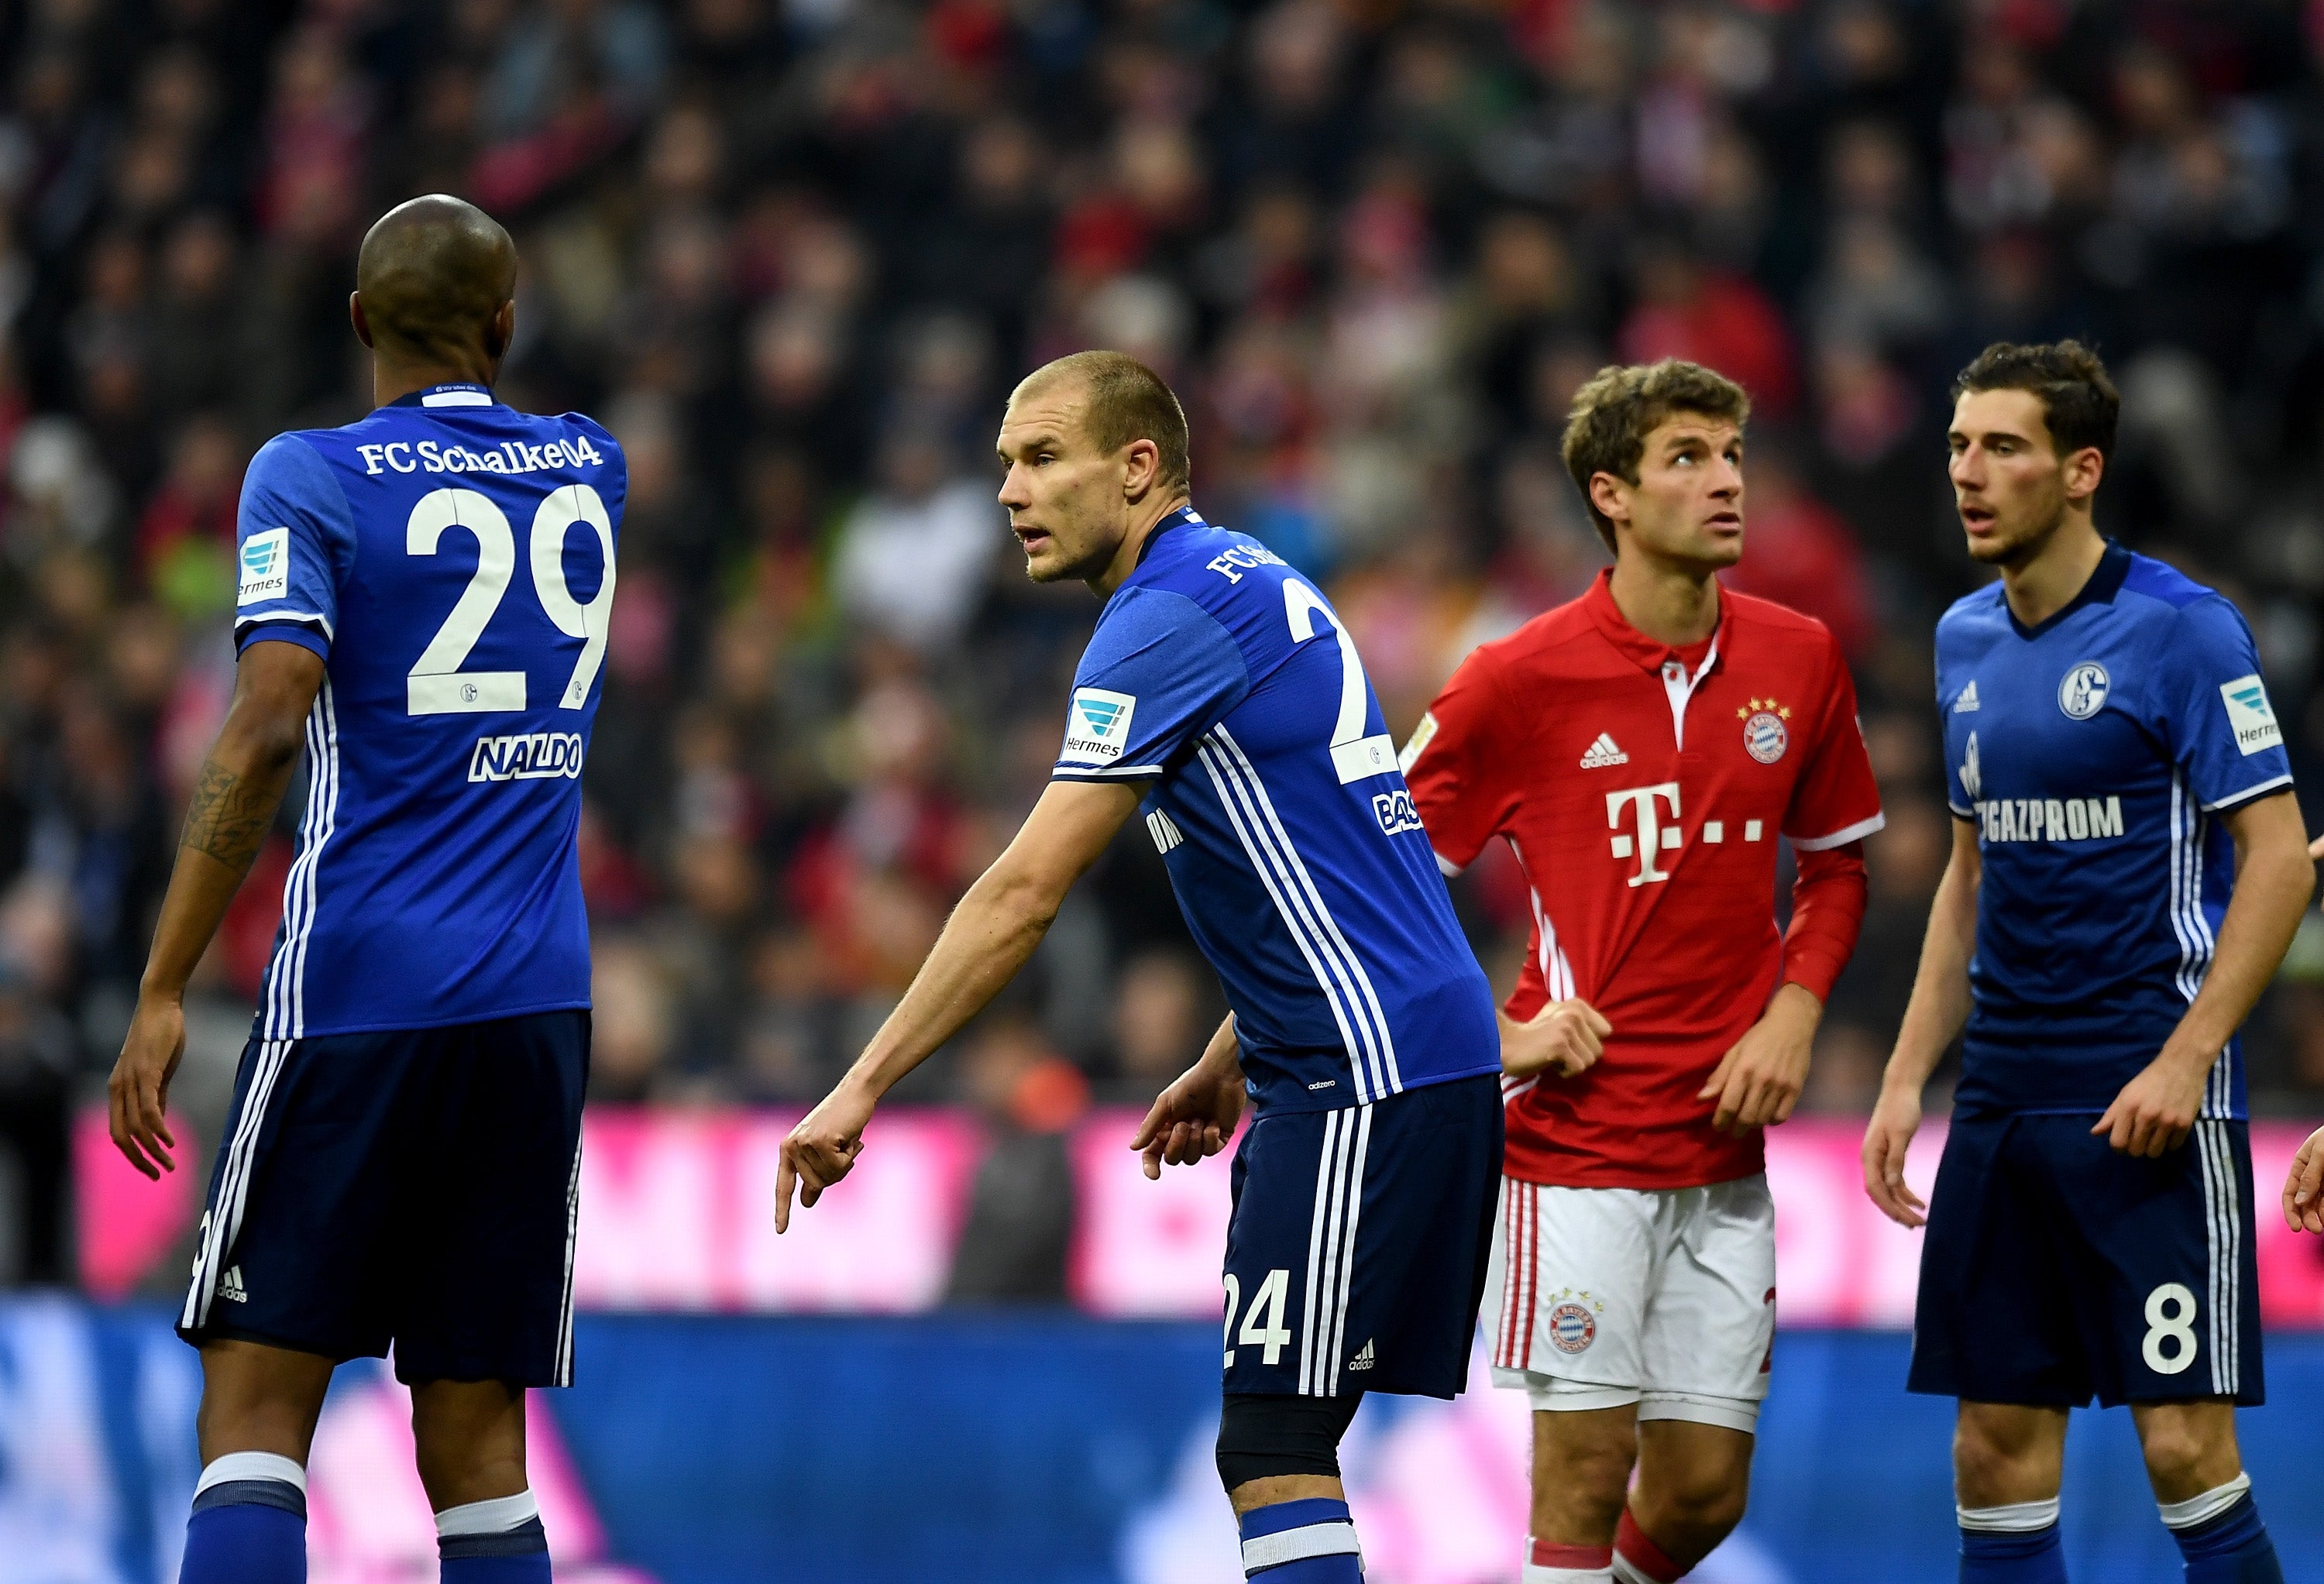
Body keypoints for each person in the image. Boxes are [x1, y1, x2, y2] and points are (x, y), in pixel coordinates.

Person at [776, 349, 1504, 1584]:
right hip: (1387, 1050)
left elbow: (1021, 891)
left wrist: (863, 1084)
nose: (1009, 489)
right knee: (1290, 1431)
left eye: (1042, 456)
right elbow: (1341, 863)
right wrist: (1230, 1055)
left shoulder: (1161, 617)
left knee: (1273, 1440)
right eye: (1004, 460)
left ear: (1139, 466)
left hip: (1358, 1072)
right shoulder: (1250, 579)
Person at [106, 195, 625, 1584]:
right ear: (508, 327)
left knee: (257, 1406)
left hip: (355, 994)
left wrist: (162, 983)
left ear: (355, 323)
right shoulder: (594, 472)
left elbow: (270, 721)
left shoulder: (306, 475)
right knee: (475, 1439)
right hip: (537, 1010)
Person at [1402, 358, 1882, 1584]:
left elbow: (1837, 871)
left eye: (1732, 455)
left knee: (1703, 1494)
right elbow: (1381, 880)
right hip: (1578, 1145)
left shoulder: (1801, 658)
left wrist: (1793, 1011)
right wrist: (1494, 1037)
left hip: (1724, 1144)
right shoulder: (1516, 677)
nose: (1726, 480)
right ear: (1610, 493)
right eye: (1688, 458)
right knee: (1577, 1477)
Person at [1862, 342, 2314, 1584]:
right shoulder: (1961, 640)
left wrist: (2186, 1060)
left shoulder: (2182, 629)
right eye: (1958, 444)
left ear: (2081, 470)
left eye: (2003, 446)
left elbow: (2277, 860)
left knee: (2184, 1448)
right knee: (1994, 1452)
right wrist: (1908, 1075)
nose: (1969, 471)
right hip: (2003, 1101)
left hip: (2143, 1095)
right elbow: (1969, 875)